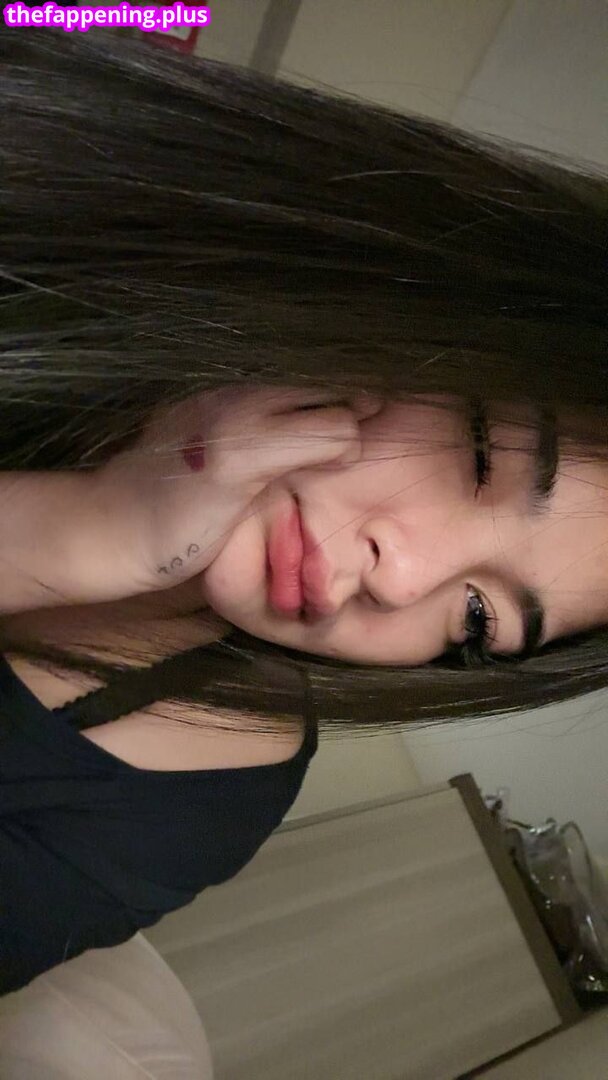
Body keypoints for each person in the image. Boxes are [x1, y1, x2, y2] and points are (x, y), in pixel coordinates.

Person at [0, 25, 606, 995]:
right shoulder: (77, 180)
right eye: (482, 455)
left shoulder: (215, 795)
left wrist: (89, 535)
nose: (404, 583)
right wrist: (88, 524)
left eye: (478, 619)